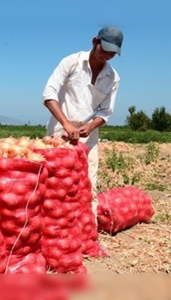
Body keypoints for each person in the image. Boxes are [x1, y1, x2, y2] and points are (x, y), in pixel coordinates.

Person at [42, 26, 124, 223]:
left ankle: (88, 233)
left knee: (88, 185)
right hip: (58, 133)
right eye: (104, 50)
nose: (107, 56)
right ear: (95, 41)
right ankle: (54, 229)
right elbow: (49, 95)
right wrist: (66, 124)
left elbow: (105, 112)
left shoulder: (113, 78)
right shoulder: (71, 63)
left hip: (88, 137)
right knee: (55, 185)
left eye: (112, 53)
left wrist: (91, 126)